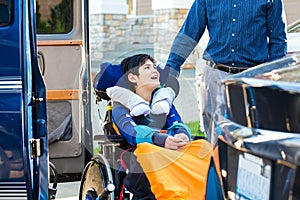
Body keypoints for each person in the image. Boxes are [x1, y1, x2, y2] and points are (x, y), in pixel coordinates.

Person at [166, 0, 287, 145]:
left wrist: (270, 78)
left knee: (251, 138)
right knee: (214, 139)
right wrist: (171, 70)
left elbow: (278, 40)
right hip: (215, 75)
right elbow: (188, 34)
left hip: (252, 78)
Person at [109, 54, 192, 199]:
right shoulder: (120, 105)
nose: (155, 71)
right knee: (147, 150)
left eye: (155, 67)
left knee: (201, 145)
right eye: (147, 67)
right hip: (136, 157)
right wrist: (161, 139)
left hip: (168, 149)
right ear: (132, 77)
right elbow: (131, 132)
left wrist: (182, 135)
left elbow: (177, 123)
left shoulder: (163, 102)